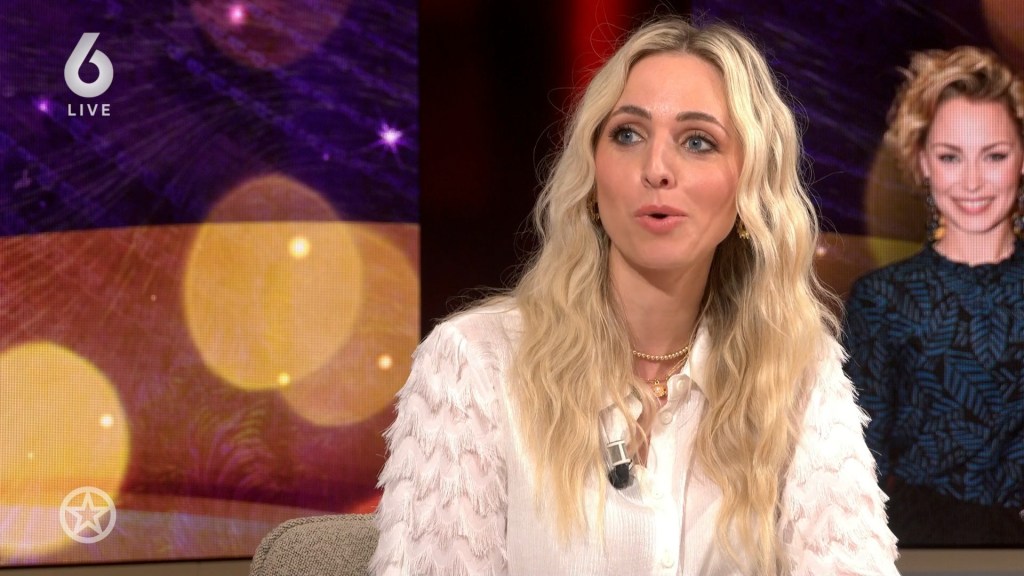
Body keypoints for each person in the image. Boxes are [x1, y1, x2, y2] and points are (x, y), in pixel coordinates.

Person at [372, 17, 899, 575]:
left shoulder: (796, 371)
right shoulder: (473, 363)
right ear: (592, 176)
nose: (656, 169)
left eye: (698, 142)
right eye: (628, 134)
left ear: (749, 190)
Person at [843, 45, 1024, 546]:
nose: (972, 181)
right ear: (923, 162)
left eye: (995, 155)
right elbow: (857, 463)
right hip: (918, 549)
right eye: (950, 157)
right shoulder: (881, 300)